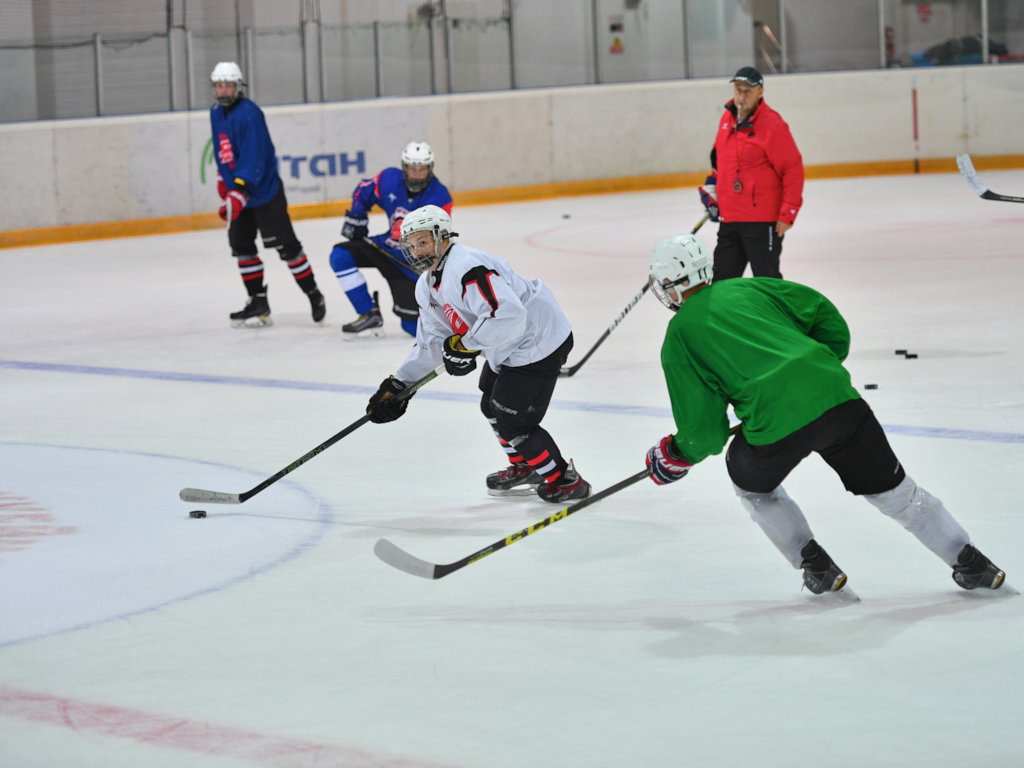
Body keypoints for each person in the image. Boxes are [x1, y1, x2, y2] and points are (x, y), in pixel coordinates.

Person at [643, 233, 1006, 594]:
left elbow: (705, 433)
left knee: (752, 486)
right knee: (898, 493)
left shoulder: (679, 335)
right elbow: (829, 321)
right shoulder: (751, 288)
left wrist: (675, 453)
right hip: (840, 401)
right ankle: (972, 562)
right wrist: (817, 373)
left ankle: (815, 565)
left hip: (776, 428)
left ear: (672, 285)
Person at [365, 205, 591, 504]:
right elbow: (432, 342)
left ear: (443, 237)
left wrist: (467, 346)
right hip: (509, 346)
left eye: (424, 241)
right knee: (490, 403)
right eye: (413, 244)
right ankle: (525, 464)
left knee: (514, 422)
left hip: (538, 341)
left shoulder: (466, 267)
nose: (418, 251)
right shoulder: (427, 285)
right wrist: (399, 385)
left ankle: (564, 480)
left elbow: (509, 316)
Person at [209, 62, 326, 328]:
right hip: (239, 193)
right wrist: (222, 177)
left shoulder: (250, 113)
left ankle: (314, 295)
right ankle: (258, 301)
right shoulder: (216, 112)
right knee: (242, 248)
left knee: (288, 249)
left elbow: (256, 156)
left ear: (239, 87)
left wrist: (239, 189)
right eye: (219, 85)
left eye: (228, 85)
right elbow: (222, 149)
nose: (224, 90)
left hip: (263, 193)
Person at [329, 142, 453, 340]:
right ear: (405, 168)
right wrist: (357, 214)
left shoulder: (440, 197)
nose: (417, 174)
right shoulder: (389, 179)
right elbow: (363, 191)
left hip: (411, 265)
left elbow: (438, 243)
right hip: (386, 248)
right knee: (340, 256)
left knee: (411, 325)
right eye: (413, 169)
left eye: (422, 169)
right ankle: (368, 313)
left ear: (430, 169)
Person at [699, 66, 804, 282]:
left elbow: (792, 168)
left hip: (762, 222)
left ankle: (777, 317)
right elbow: (719, 162)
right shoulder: (727, 119)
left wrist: (788, 213)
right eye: (738, 90)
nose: (742, 96)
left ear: (760, 92)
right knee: (722, 285)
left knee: (767, 284)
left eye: (748, 91)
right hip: (730, 220)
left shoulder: (772, 124)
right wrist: (712, 190)